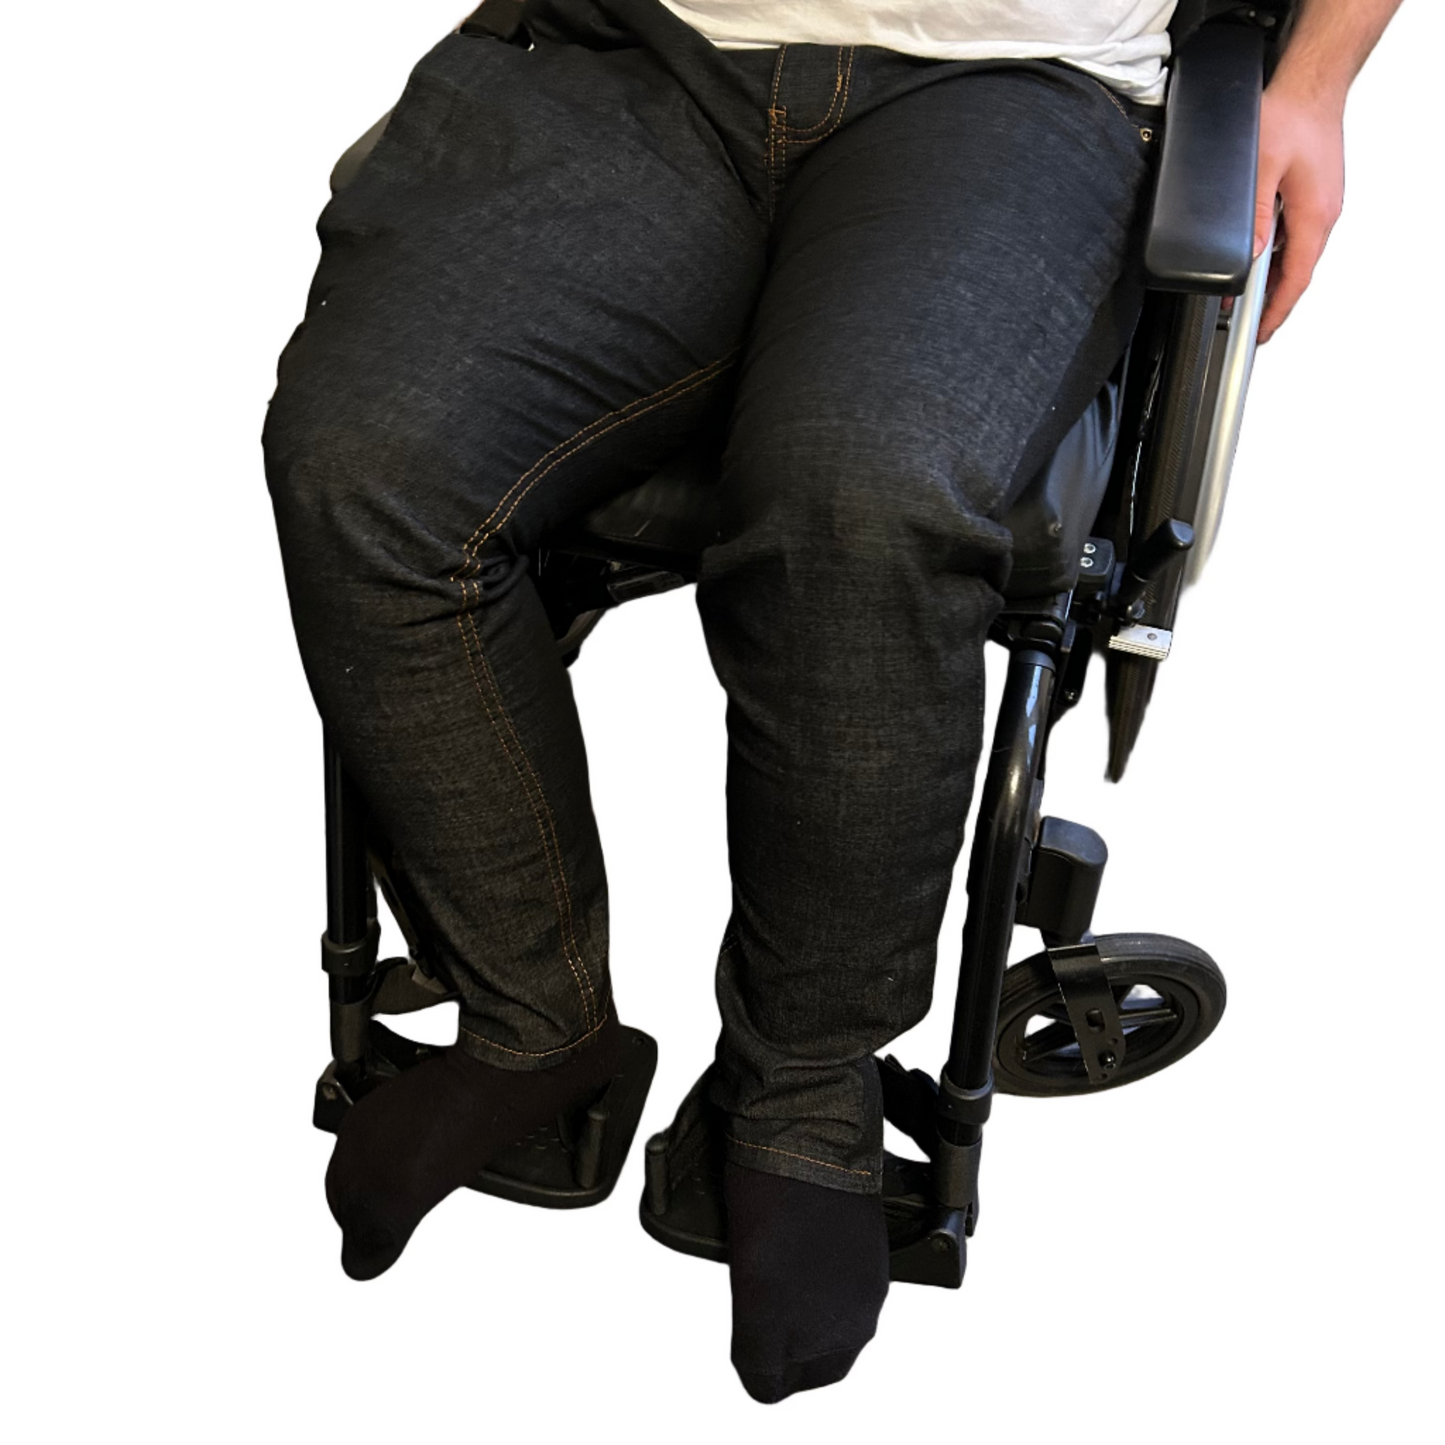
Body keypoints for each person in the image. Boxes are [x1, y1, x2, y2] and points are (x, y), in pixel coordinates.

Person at [263, 0, 1400, 1403]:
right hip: (647, 51)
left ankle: (801, 1094)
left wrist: (1315, 83)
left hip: (1014, 84)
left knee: (856, 493)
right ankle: (530, 1024)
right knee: (362, 466)